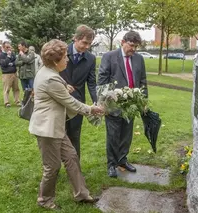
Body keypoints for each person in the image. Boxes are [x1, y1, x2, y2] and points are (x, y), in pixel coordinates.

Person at [29, 39, 103, 210]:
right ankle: (45, 200)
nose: (68, 60)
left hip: (56, 127)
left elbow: (57, 87)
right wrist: (92, 109)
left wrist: (65, 86)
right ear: (56, 61)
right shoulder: (50, 79)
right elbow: (72, 103)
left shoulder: (49, 72)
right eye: (65, 57)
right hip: (47, 130)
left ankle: (81, 194)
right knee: (52, 167)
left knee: (71, 157)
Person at [98, 31, 148, 178]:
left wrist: (143, 102)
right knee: (113, 135)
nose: (133, 49)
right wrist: (104, 103)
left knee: (126, 135)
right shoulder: (109, 57)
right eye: (131, 45)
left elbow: (143, 81)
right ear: (122, 42)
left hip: (131, 105)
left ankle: (122, 160)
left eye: (136, 46)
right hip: (113, 104)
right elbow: (102, 80)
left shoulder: (139, 59)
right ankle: (111, 165)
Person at [59, 25, 97, 159]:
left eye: (90, 44)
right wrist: (62, 85)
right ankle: (55, 167)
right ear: (75, 38)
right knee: (57, 136)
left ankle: (75, 168)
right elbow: (49, 73)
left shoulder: (91, 59)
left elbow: (91, 82)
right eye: (84, 43)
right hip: (58, 101)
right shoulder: (61, 51)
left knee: (75, 135)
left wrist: (96, 101)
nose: (87, 47)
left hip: (78, 103)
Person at [0, 41, 21, 108]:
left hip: (14, 73)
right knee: (7, 89)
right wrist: (8, 56)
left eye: (9, 47)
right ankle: (6, 102)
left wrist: (11, 63)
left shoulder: (13, 54)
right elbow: (3, 64)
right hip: (6, 74)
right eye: (7, 47)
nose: (9, 48)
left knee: (16, 88)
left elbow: (15, 62)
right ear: (3, 47)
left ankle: (17, 101)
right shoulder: (0, 55)